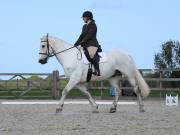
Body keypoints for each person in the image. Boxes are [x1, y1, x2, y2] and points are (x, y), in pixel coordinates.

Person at [74, 11, 101, 76]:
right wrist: (76, 43)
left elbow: (90, 35)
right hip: (85, 45)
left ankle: (97, 71)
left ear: (88, 17)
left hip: (92, 44)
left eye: (84, 18)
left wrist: (82, 41)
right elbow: (81, 35)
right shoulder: (84, 26)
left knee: (90, 55)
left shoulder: (93, 25)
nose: (83, 19)